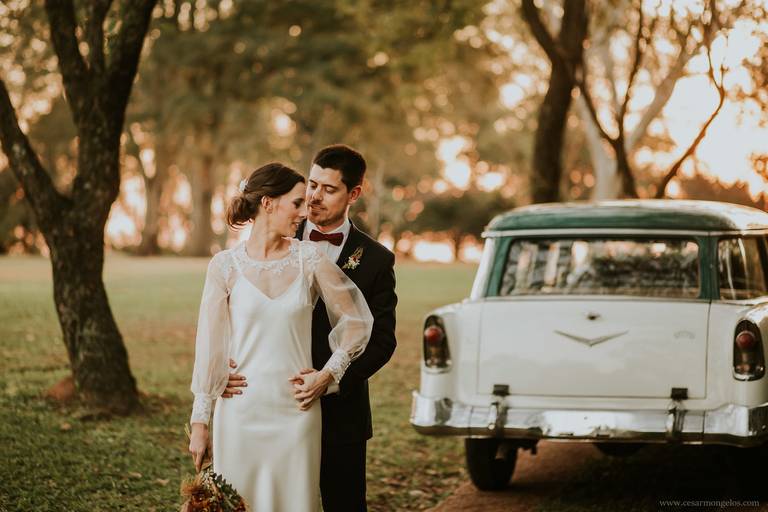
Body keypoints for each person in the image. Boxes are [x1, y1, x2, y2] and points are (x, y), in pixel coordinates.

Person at [187, 162, 373, 511]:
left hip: (297, 412)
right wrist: (200, 422)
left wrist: (328, 373)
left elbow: (356, 321)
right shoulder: (224, 265)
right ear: (268, 203)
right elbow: (209, 348)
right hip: (240, 412)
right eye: (297, 203)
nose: (305, 212)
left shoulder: (309, 259)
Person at [223, 145, 398, 511]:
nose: (314, 197)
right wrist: (223, 366)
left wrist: (330, 379)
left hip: (341, 412)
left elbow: (382, 341)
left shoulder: (376, 259)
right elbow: (240, 308)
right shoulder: (277, 225)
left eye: (328, 189)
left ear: (354, 194)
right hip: (271, 406)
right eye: (313, 184)